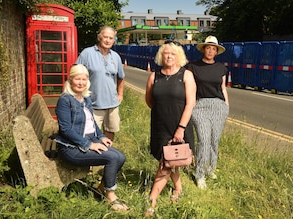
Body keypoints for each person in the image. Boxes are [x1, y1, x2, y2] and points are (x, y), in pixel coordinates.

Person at [55, 64, 129, 211]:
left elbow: (92, 123)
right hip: (71, 148)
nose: (81, 83)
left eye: (84, 79)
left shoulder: (85, 98)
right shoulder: (65, 100)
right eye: (77, 79)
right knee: (112, 158)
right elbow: (66, 130)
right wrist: (90, 145)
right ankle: (110, 196)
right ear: (70, 80)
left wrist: (101, 137)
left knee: (121, 157)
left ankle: (101, 187)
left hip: (88, 139)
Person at [144, 40, 196, 217]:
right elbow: (149, 100)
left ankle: (152, 200)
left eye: (173, 54)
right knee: (171, 160)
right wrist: (162, 112)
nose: (169, 56)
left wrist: (180, 128)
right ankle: (178, 189)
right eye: (166, 53)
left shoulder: (186, 75)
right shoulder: (154, 76)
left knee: (165, 165)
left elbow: (190, 104)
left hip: (179, 125)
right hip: (160, 126)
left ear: (178, 56)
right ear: (161, 55)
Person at [187, 36, 229, 189]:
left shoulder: (221, 68)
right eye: (208, 47)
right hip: (199, 105)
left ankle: (210, 168)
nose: (210, 50)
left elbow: (223, 88)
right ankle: (200, 174)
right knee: (204, 139)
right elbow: (189, 87)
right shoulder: (193, 67)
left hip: (218, 105)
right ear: (203, 49)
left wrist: (226, 106)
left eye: (213, 48)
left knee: (214, 140)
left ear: (216, 51)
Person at [76, 26, 124, 141]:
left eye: (111, 38)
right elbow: (75, 75)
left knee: (110, 131)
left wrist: (120, 94)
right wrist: (78, 96)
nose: (108, 40)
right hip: (92, 104)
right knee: (91, 133)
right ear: (99, 37)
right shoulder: (87, 53)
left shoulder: (116, 57)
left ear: (114, 40)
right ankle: (94, 157)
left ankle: (107, 154)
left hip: (112, 104)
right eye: (105, 37)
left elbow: (121, 77)